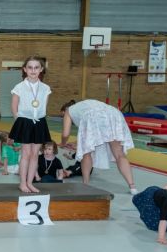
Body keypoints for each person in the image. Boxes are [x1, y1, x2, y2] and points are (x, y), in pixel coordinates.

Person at [59, 99, 137, 194]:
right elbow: (96, 135)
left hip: (93, 116)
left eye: (62, 115)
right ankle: (132, 186)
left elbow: (65, 134)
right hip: (114, 113)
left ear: (65, 109)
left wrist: (63, 143)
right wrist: (76, 143)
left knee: (86, 153)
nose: (63, 118)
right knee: (119, 154)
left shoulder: (69, 111)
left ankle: (85, 183)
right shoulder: (84, 105)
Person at [9, 56, 51, 193]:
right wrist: (19, 123)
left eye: (36, 67)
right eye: (30, 67)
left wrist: (39, 118)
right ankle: (22, 183)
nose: (33, 70)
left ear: (41, 69)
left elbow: (43, 106)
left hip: (39, 121)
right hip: (24, 121)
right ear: (25, 69)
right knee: (26, 153)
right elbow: (14, 107)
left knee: (35, 154)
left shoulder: (45, 88)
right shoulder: (19, 87)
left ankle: (30, 182)